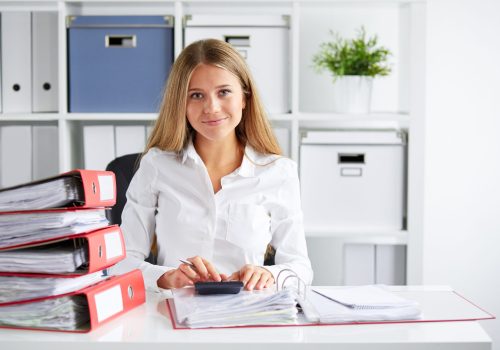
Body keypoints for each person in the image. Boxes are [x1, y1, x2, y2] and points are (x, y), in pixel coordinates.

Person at [113, 38, 313, 292]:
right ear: (181, 104)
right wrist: (165, 277)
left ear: (244, 98)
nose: (211, 107)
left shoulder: (278, 172)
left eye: (224, 92)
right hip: (173, 317)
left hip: (247, 317)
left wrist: (268, 275)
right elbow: (120, 262)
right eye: (196, 95)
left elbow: (301, 268)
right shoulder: (156, 165)